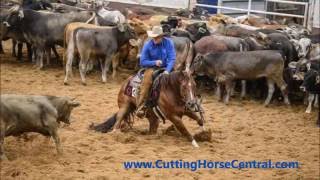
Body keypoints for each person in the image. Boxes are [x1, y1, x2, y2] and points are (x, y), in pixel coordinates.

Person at [136, 26, 176, 117]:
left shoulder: (168, 43)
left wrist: (167, 71)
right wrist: (154, 62)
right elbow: (142, 61)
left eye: (157, 37)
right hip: (152, 68)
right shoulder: (148, 44)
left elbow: (172, 58)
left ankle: (183, 102)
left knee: (179, 79)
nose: (155, 39)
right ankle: (141, 105)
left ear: (161, 37)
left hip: (166, 67)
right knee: (146, 83)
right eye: (154, 37)